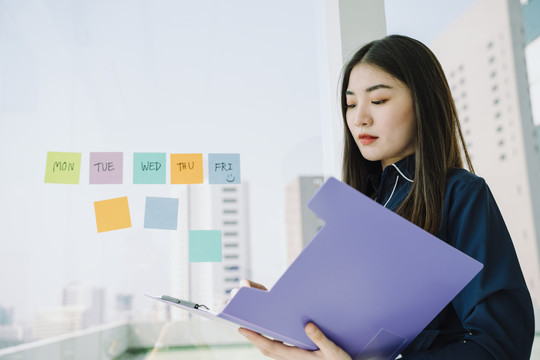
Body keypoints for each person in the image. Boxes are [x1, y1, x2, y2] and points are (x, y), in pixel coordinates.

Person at [236, 34, 535, 359]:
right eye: (350, 104)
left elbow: (501, 345)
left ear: (423, 103)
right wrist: (287, 315)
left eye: (378, 101)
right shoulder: (359, 208)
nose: (360, 117)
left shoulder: (461, 195)